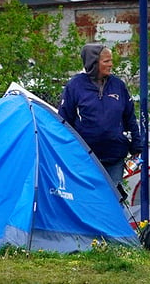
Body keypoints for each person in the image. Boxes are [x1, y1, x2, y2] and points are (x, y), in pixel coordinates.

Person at [58, 44, 142, 191]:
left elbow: (129, 117)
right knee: (88, 198)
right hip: (85, 157)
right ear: (93, 63)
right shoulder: (75, 86)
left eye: (111, 61)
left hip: (114, 156)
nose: (111, 64)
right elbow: (63, 121)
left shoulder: (118, 85)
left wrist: (136, 145)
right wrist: (66, 150)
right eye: (106, 61)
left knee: (114, 197)